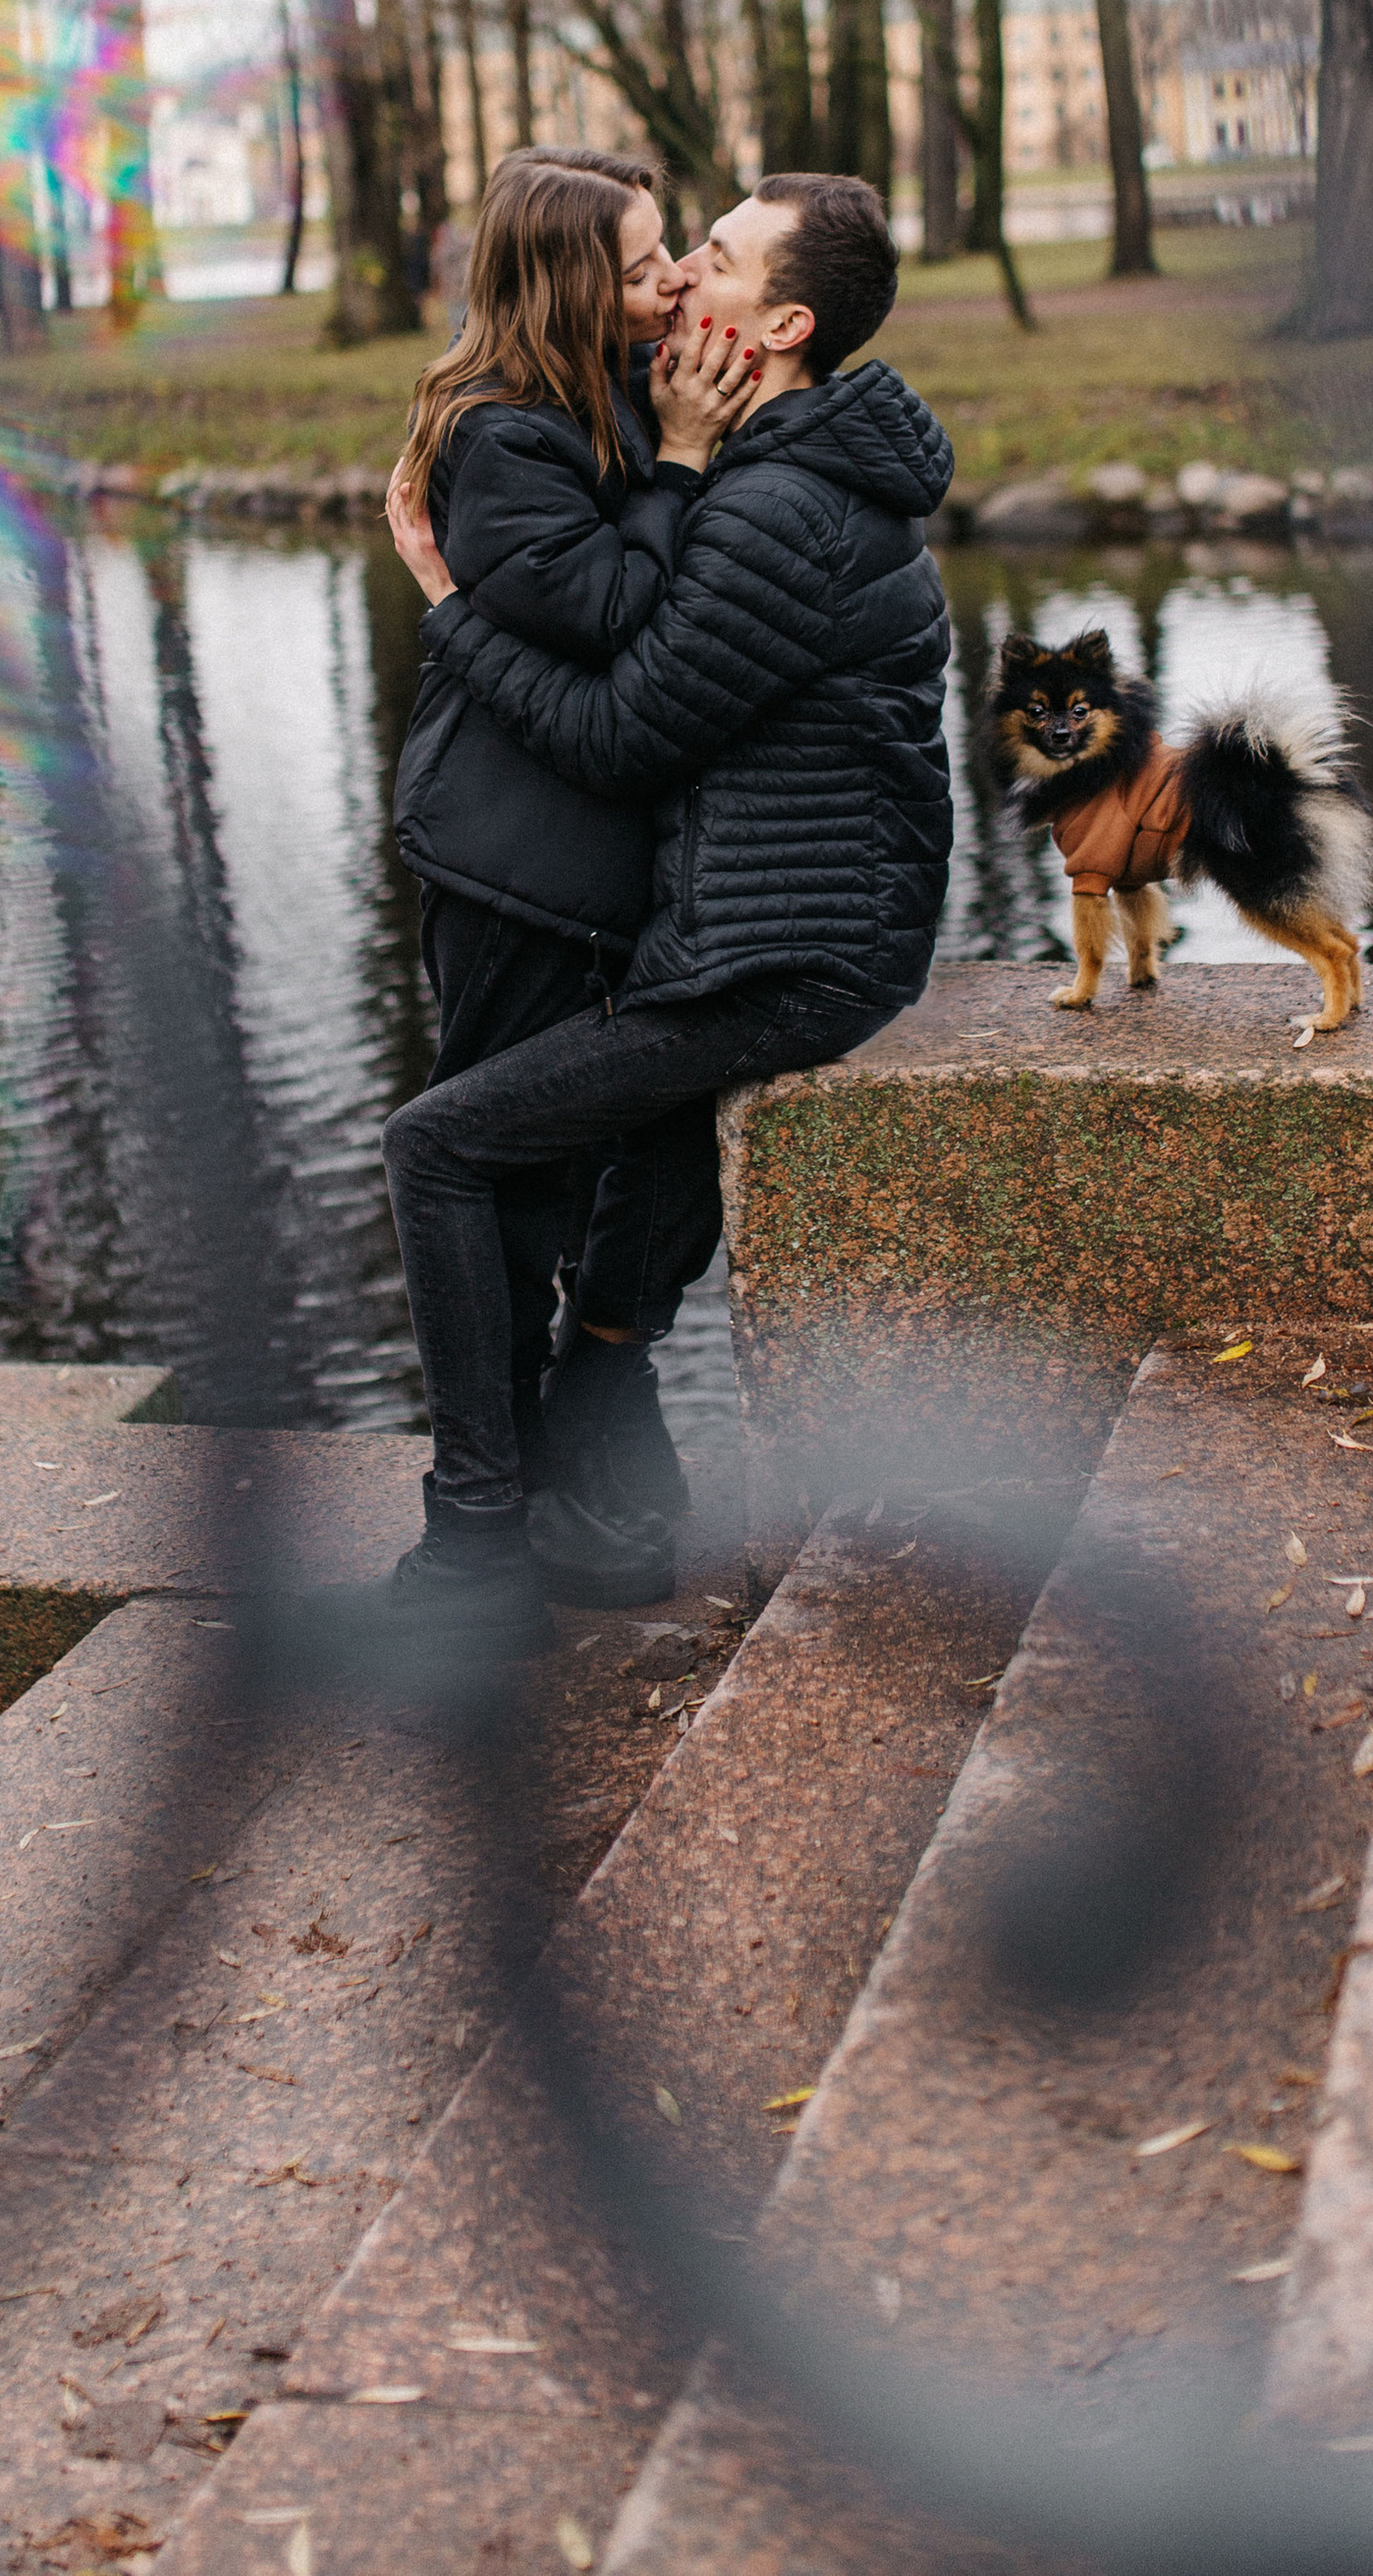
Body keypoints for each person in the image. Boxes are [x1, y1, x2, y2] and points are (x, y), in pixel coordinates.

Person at [372, 171, 955, 1656]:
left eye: (715, 256)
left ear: (781, 323)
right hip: (780, 915)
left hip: (791, 947)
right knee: (617, 1130)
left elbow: (627, 736)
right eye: (671, 253)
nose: (684, 273)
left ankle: (477, 1543)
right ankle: (595, 1471)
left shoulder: (774, 504)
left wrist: (445, 606)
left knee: (438, 1142)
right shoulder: (790, 454)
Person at [386, 148, 762, 1608]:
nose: (668, 282)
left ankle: (560, 1490)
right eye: (642, 263)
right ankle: (482, 1520)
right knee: (499, 1183)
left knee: (621, 1175)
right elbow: (613, 616)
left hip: (607, 873)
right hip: (512, 877)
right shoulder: (499, 439)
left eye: (674, 253)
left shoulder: (603, 387)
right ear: (563, 284)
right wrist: (677, 461)